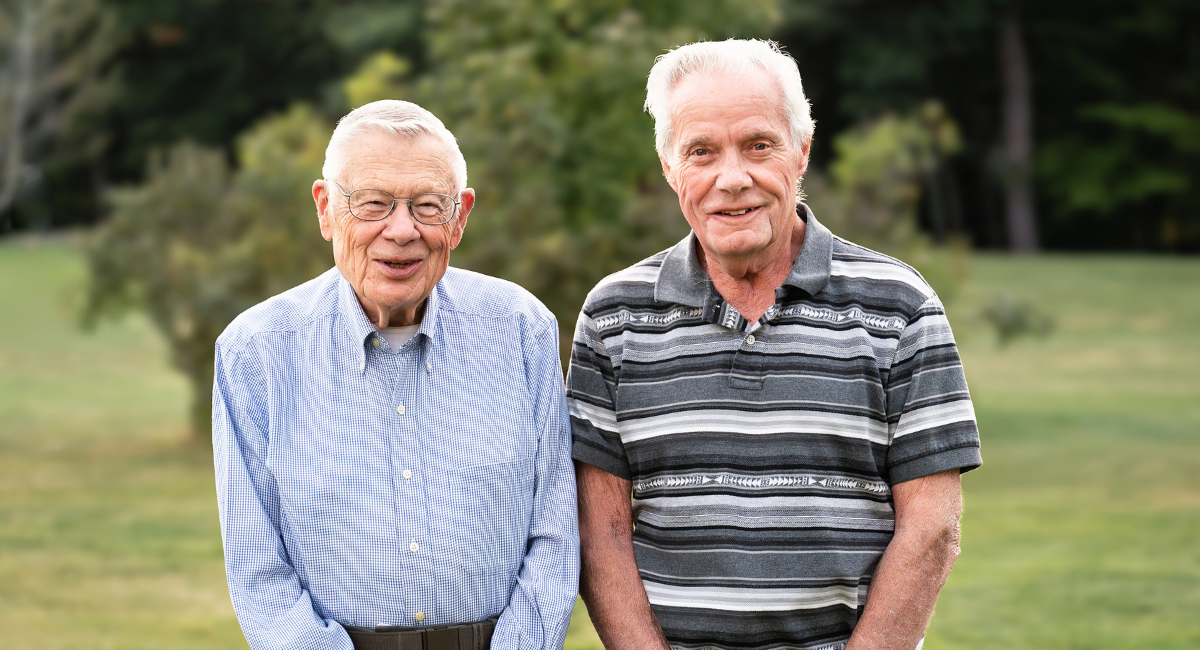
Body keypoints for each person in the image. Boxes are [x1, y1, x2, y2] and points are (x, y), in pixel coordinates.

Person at [568, 39, 982, 650]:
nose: (731, 179)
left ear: (801, 153)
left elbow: (932, 528)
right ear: (669, 168)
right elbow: (598, 531)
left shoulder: (900, 306)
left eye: (758, 145)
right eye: (700, 152)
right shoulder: (614, 318)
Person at [212, 100, 578, 650]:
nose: (402, 231)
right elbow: (258, 569)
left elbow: (555, 534)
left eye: (428, 206)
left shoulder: (522, 328)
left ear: (460, 218)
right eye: (374, 203)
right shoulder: (256, 351)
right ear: (325, 208)